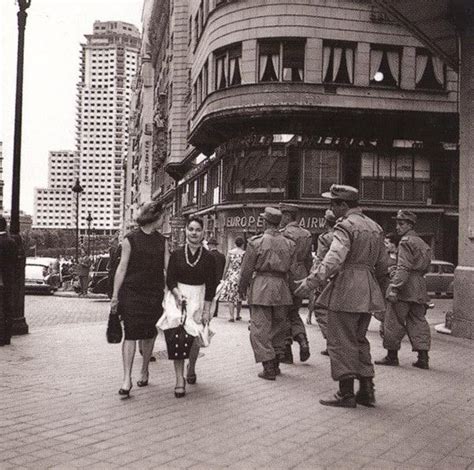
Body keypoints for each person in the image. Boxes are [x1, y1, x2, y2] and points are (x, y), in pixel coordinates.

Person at [295, 184, 388, 408]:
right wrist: (382, 295)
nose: (331, 208)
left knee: (340, 341)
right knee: (359, 340)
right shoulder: (375, 227)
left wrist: (311, 282)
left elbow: (334, 258)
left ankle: (345, 393)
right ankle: (367, 390)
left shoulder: (345, 226)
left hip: (347, 288)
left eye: (333, 204)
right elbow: (384, 265)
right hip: (368, 289)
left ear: (344, 205)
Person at [111, 201, 167, 398]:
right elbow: (122, 268)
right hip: (132, 293)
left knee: (150, 333)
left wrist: (170, 294)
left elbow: (167, 270)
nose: (164, 220)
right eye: (163, 216)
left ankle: (144, 370)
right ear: (155, 217)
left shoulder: (163, 241)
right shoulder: (130, 239)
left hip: (154, 294)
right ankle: (127, 378)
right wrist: (115, 295)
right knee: (131, 333)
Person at [158, 215, 216, 398]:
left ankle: (192, 366)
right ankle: (179, 379)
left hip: (198, 299)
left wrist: (206, 310)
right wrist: (176, 294)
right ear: (186, 231)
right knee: (177, 337)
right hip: (178, 298)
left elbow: (211, 285)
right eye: (191, 229)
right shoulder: (176, 254)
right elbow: (170, 279)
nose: (194, 233)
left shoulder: (209, 258)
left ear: (203, 233)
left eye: (198, 230)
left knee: (194, 337)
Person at [239, 207, 296, 381]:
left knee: (259, 328)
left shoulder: (256, 242)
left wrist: (242, 288)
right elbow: (293, 270)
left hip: (261, 288)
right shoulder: (290, 243)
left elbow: (246, 270)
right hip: (282, 288)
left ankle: (268, 366)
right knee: (279, 327)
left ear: (265, 222)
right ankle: (277, 361)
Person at [375, 210, 432, 369]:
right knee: (418, 321)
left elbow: (403, 268)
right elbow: (426, 267)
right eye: (397, 223)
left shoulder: (405, 242)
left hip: (405, 287)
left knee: (393, 321)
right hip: (419, 286)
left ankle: (391, 356)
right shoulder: (422, 242)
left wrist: (394, 287)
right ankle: (423, 357)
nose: (398, 227)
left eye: (401, 224)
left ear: (410, 225)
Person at [279, 203, 313, 364]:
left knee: (283, 313)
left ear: (287, 216)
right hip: (301, 276)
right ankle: (303, 340)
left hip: (286, 276)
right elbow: (309, 260)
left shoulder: (284, 234)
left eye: (282, 216)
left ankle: (287, 350)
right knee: (294, 312)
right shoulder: (306, 234)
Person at [307, 209, 337, 355]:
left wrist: (314, 277)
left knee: (321, 309)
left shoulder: (324, 238)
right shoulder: (343, 235)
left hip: (326, 277)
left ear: (326, 222)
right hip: (341, 277)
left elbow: (320, 259)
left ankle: (331, 344)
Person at [374, 232, 400, 339]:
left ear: (394, 244)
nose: (385, 245)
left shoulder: (401, 256)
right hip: (384, 287)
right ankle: (384, 329)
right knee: (385, 311)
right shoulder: (383, 257)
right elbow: (378, 271)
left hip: (397, 288)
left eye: (387, 243)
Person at [0, 216, 18, 346]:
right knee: (7, 308)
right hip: (8, 280)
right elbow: (16, 263)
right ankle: (6, 337)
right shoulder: (11, 242)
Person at [218, 237, 245, 322]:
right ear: (242, 244)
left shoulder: (230, 253)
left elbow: (226, 266)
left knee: (231, 296)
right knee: (239, 296)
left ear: (235, 243)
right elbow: (244, 266)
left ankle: (231, 316)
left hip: (231, 275)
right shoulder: (244, 253)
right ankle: (238, 315)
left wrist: (223, 277)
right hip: (240, 275)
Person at [207, 237, 226, 318]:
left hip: (209, 277)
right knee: (216, 295)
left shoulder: (207, 255)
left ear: (211, 245)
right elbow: (224, 267)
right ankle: (215, 311)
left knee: (209, 294)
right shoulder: (221, 256)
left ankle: (208, 310)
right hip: (219, 277)